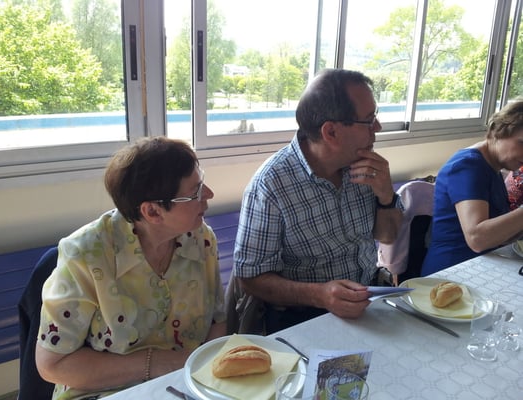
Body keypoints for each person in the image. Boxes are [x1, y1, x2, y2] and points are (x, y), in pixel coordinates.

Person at [35, 137, 226, 399]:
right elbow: (53, 365)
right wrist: (155, 363)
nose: (209, 194)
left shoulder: (201, 239)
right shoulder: (86, 256)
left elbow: (217, 320)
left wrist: (208, 381)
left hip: (186, 382)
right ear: (153, 212)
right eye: (196, 192)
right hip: (106, 392)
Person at [233, 68, 404, 334]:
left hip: (369, 301)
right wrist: (320, 295)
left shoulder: (366, 166)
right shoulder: (271, 185)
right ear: (331, 132)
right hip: (305, 317)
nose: (378, 127)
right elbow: (250, 278)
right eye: (369, 120)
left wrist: (386, 196)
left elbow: (388, 237)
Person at [422, 100, 523, 276]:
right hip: (451, 273)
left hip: (480, 266)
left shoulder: (493, 167)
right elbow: (477, 238)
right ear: (498, 131)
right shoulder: (468, 166)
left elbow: (501, 234)